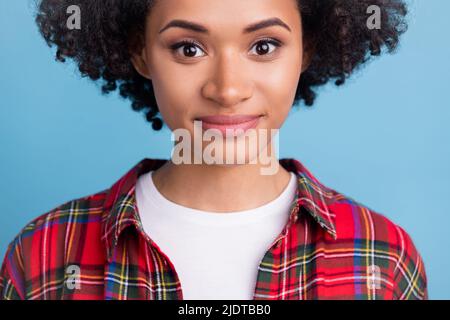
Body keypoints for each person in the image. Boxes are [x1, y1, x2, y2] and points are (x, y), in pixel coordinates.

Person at [0, 0, 427, 300]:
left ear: (306, 50)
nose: (227, 89)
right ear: (140, 51)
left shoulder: (382, 255)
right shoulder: (45, 253)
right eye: (188, 49)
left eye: (263, 46)